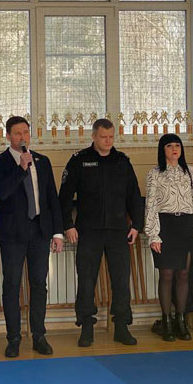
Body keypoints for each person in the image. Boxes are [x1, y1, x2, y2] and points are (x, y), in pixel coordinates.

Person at [60, 118, 144, 348]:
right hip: (89, 230)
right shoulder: (79, 160)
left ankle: (121, 326)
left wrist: (136, 225)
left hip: (118, 230)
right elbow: (65, 196)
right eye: (103, 137)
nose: (108, 141)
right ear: (94, 137)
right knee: (87, 280)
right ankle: (86, 326)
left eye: (111, 137)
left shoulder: (122, 161)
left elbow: (134, 195)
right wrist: (68, 225)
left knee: (121, 280)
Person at [0, 116, 64, 358]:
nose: (23, 137)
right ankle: (13, 337)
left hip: (39, 230)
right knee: (11, 285)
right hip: (12, 233)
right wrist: (21, 168)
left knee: (39, 283)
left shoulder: (42, 161)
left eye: (26, 132)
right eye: (17, 133)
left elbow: (51, 197)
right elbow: (2, 192)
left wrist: (58, 232)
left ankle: (39, 335)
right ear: (8, 136)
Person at [145, 134, 193, 341]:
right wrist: (153, 234)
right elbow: (151, 204)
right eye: (169, 146)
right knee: (167, 274)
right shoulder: (155, 174)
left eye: (177, 145)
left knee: (183, 274)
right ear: (162, 149)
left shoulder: (190, 172)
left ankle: (181, 319)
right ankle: (166, 320)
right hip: (165, 225)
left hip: (186, 224)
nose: (174, 149)